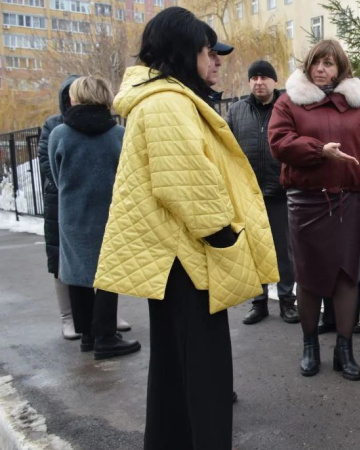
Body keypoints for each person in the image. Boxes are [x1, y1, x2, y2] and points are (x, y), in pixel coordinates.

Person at [93, 7, 278, 449]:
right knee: (204, 371)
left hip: (175, 254)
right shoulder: (168, 103)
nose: (217, 61)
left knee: (176, 368)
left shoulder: (165, 98)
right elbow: (185, 181)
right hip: (187, 257)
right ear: (181, 52)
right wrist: (225, 234)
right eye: (207, 52)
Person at [268, 39, 360, 381]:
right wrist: (319, 150)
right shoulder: (289, 102)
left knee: (347, 277)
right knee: (308, 279)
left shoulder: (357, 107)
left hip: (347, 203)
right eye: (316, 63)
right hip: (306, 203)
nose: (321, 69)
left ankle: (344, 350)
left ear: (340, 69)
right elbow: (279, 143)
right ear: (308, 65)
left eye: (329, 63)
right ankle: (310, 347)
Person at [47, 76, 140, 360]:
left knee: (77, 274)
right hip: (110, 214)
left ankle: (87, 335)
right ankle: (106, 337)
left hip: (72, 215)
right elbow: (128, 175)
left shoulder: (59, 134)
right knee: (109, 274)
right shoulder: (118, 134)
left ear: (75, 98)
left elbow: (56, 176)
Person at [226, 60, 300, 325]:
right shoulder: (236, 111)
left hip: (280, 191)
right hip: (249, 195)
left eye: (264, 77)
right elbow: (226, 149)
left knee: (284, 252)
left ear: (274, 81)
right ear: (249, 82)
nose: (259, 82)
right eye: (254, 78)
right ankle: (258, 302)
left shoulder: (287, 107)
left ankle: (287, 301)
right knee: (254, 250)